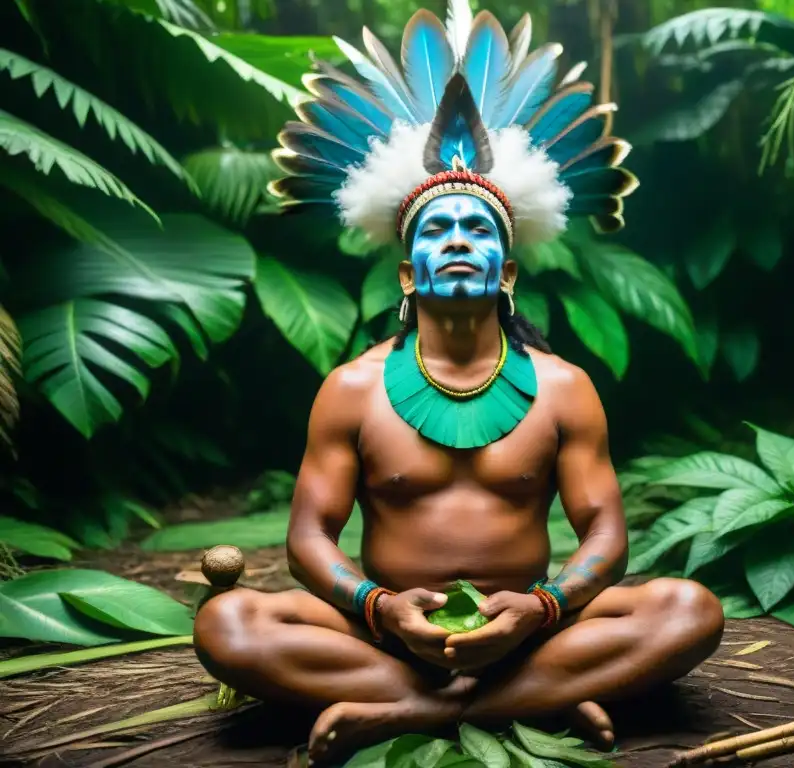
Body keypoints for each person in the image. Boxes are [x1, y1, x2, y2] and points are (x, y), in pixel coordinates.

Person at [192, 1, 724, 761]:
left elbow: (605, 534)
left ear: (506, 270)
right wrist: (379, 607)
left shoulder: (564, 387)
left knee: (689, 609)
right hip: (387, 632)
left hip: (531, 630)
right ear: (409, 270)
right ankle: (517, 704)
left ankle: (408, 712)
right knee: (227, 624)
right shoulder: (352, 388)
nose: (459, 244)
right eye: (437, 232)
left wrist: (543, 607)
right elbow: (308, 537)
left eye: (478, 230)